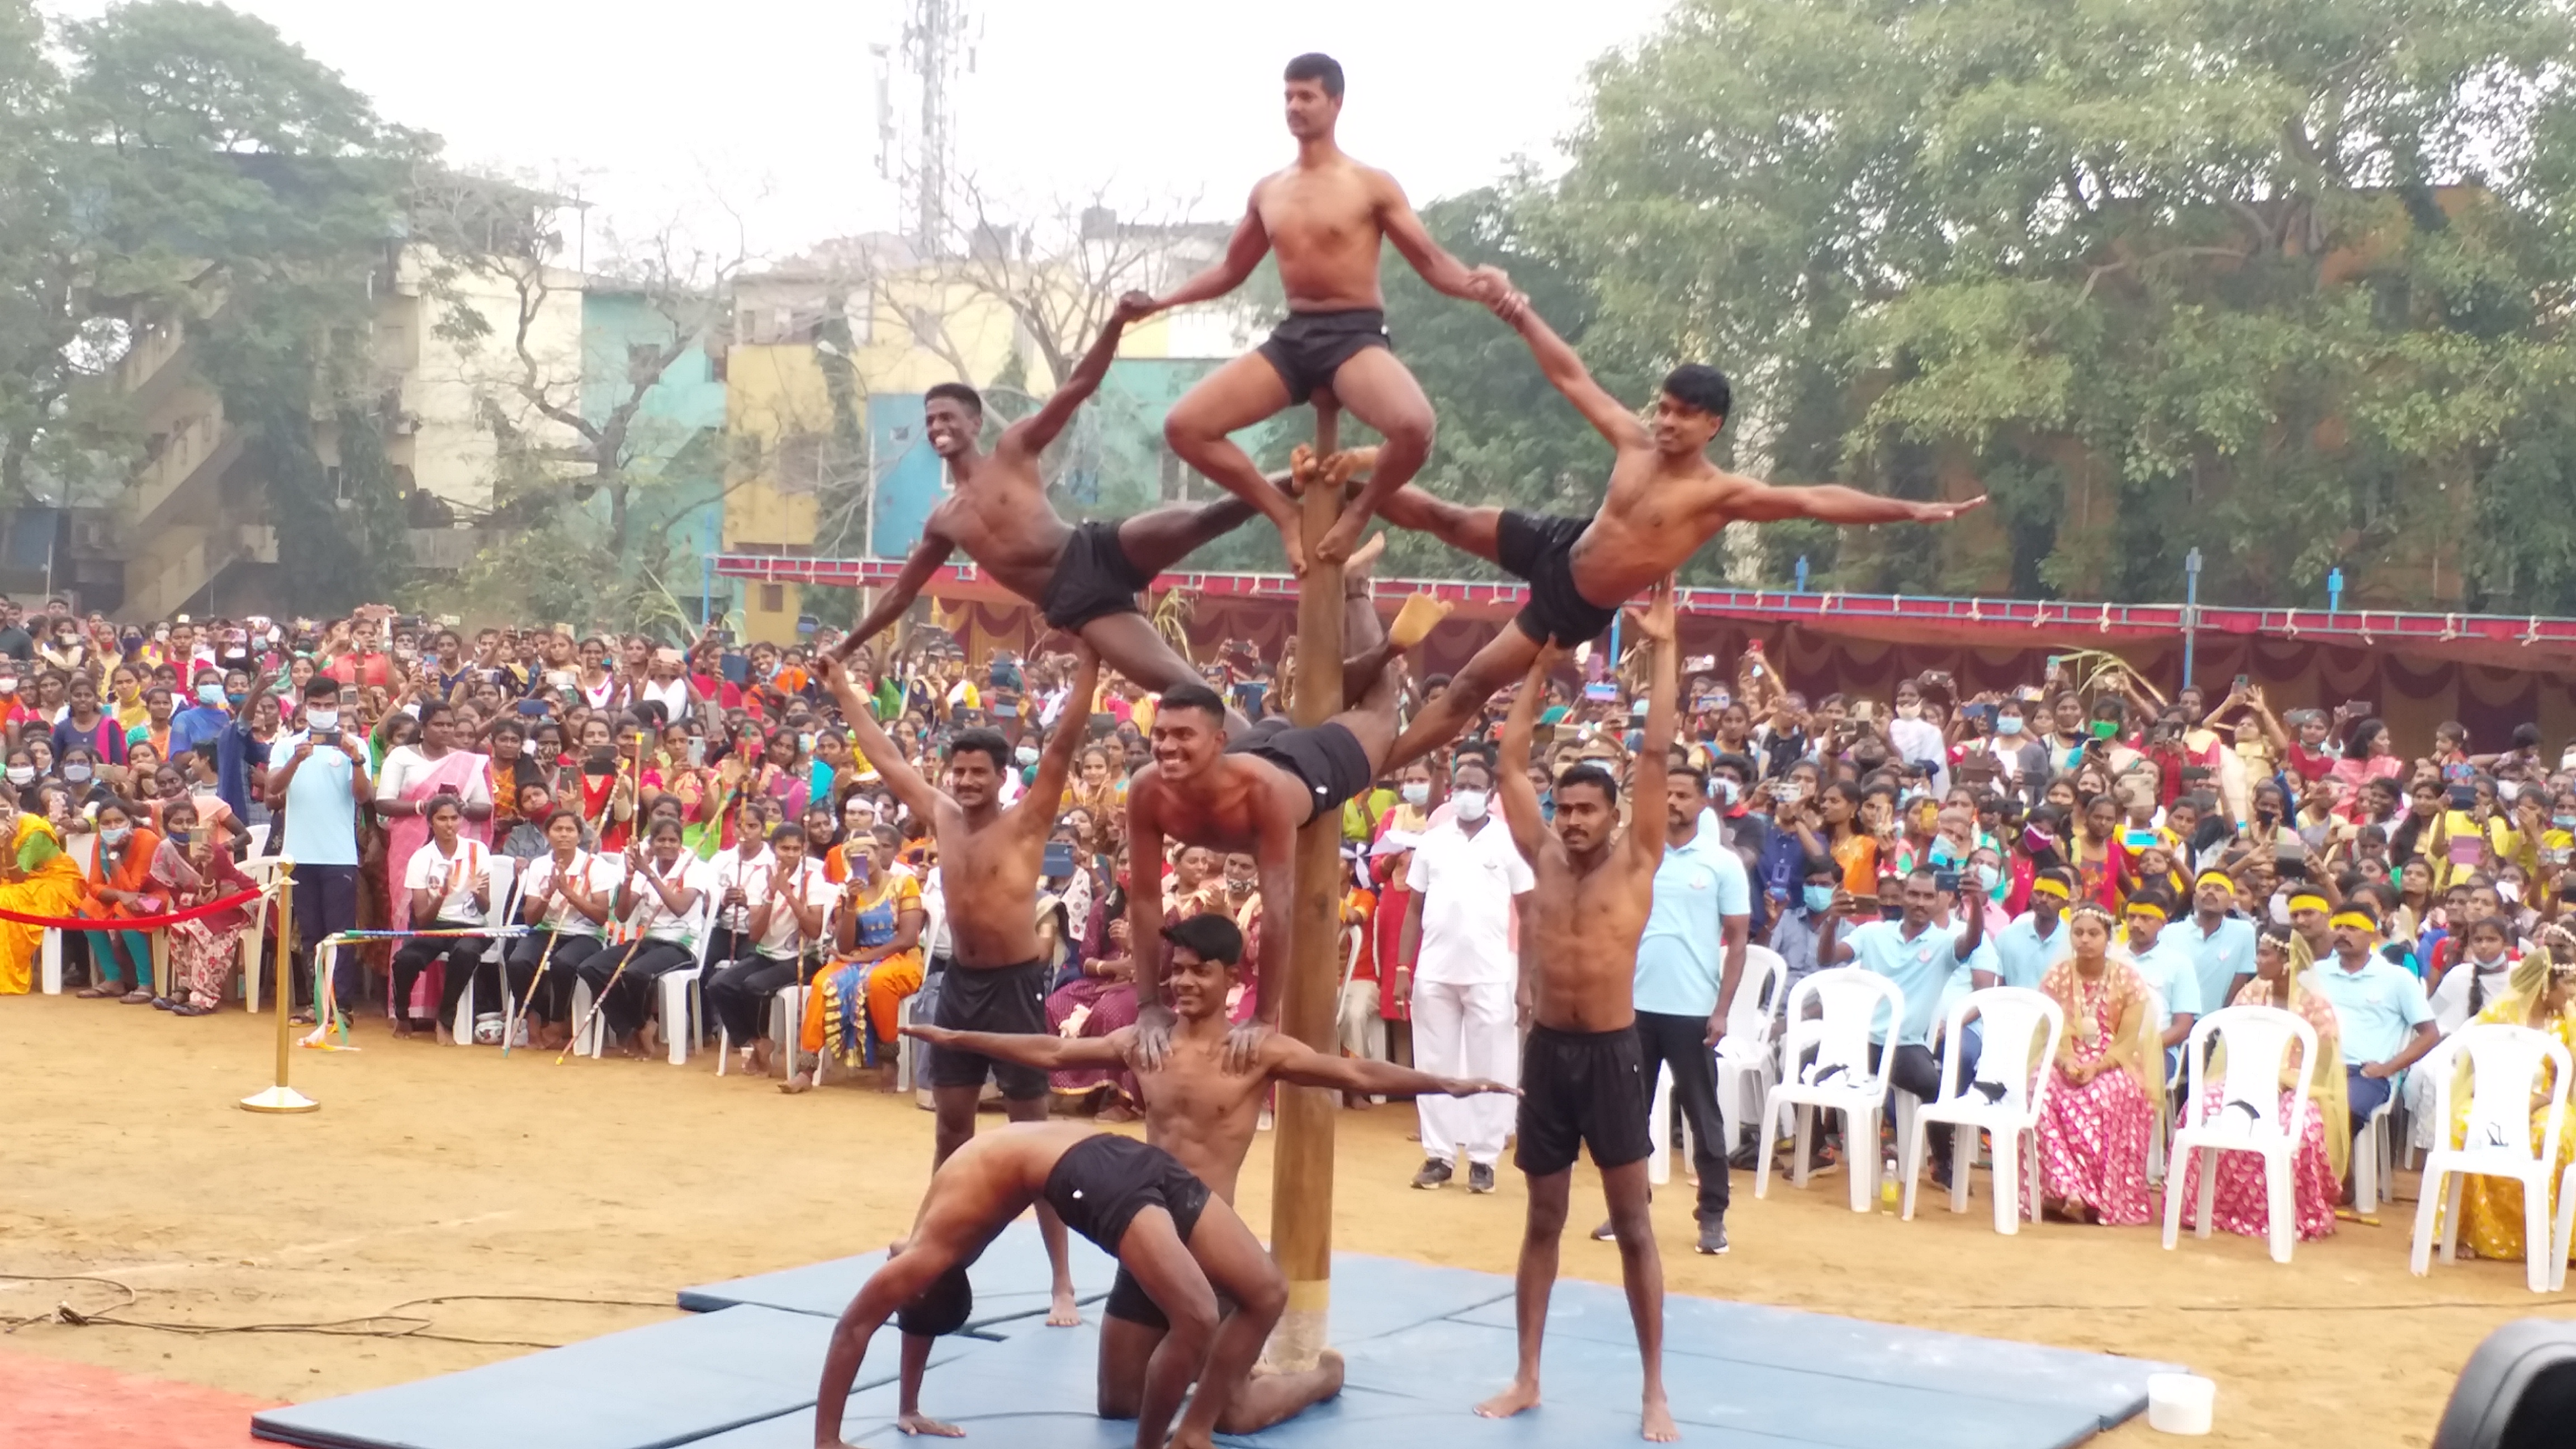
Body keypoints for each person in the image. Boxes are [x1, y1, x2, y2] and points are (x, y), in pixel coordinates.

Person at [902, 913, 1516, 1436]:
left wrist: (1449, 1082)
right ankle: (1209, 1361)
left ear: (1232, 978)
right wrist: (955, 1035)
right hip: (1143, 1241)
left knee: (1233, 1419)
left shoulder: (1256, 1050)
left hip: (1207, 1245)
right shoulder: (1148, 1042)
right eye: (1179, 969)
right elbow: (1055, 1053)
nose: (1185, 981)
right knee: (1119, 1405)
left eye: (1201, 971)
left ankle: (1323, 1374)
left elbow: (1353, 1076)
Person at [1372, 296, 1981, 770]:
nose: (1665, 422)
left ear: (1712, 424)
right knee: (1445, 516)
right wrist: (1521, 314)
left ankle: (1375, 768)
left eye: (1682, 415)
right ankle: (1332, 491)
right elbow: (1571, 378)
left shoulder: (1719, 496)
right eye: (1662, 408)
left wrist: (1909, 509)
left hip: (1575, 604)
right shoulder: (1634, 443)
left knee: (1470, 684)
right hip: (1561, 541)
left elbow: (1815, 500)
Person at [1139, 53, 1512, 573]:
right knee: (1185, 426)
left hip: (1353, 336)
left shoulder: (1370, 184)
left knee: (1415, 427)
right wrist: (1160, 303)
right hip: (1294, 339)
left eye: (1306, 96)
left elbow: (1432, 263)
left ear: (1335, 103)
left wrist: (1482, 285)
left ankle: (1359, 512)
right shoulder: (1269, 191)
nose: (1294, 106)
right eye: (1288, 96)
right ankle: (1283, 515)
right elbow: (1228, 270)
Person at [818, 645, 1100, 1328]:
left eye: (980, 772)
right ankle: (929, 1243)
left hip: (1016, 989)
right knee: (951, 1128)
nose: (968, 781)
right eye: (960, 770)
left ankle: (1062, 1280)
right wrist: (845, 691)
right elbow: (885, 758)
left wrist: (1090, 664)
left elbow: (1063, 743)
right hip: (960, 982)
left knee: (1032, 1139)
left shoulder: (1029, 818)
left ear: (1005, 777)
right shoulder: (941, 814)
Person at [830, 310, 1266, 712]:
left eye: (946, 417)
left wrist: (1115, 324)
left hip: (1095, 548)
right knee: (1185, 688)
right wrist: (845, 648)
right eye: (930, 421)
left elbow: (1077, 388)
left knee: (1207, 518)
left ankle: (1303, 482)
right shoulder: (944, 521)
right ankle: (1267, 754)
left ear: (975, 423)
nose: (937, 428)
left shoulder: (1014, 450)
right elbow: (900, 595)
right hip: (1076, 601)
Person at [1475, 581, 1677, 1443]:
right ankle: (1527, 1373)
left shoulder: (1638, 859)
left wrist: (1662, 648)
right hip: (1549, 1054)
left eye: (1589, 808)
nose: (1574, 820)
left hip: (1613, 1056)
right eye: (1567, 808)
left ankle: (1654, 1389)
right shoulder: (1542, 852)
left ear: (1615, 815)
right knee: (1543, 1218)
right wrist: (1539, 667)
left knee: (1631, 1224)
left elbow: (1658, 757)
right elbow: (1511, 758)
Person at [809, 1123, 1283, 1449]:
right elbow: (915, 1310)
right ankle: (1192, 1431)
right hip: (1118, 1153)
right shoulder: (930, 1257)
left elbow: (852, 1329)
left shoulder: (930, 1257)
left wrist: (826, 1439)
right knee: (1260, 1294)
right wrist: (908, 1407)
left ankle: (1175, 1438)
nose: (899, 1304)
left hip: (1088, 1170)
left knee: (1198, 1315)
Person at [1124, 567, 1419, 1068]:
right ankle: (1361, 654)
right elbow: (1147, 902)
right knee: (1300, 707)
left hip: (1307, 768)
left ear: (1217, 743)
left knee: (1381, 706)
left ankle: (1355, 589)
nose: (1167, 747)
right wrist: (1150, 1006)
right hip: (1260, 742)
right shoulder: (1146, 788)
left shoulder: (1264, 797)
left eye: (1183, 737)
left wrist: (1263, 1017)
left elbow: (1280, 908)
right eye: (1162, 735)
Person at [1598, 759, 1750, 1254]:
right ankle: (1627, 1209)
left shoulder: (1722, 863)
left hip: (1693, 1011)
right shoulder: (1639, 856)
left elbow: (1739, 939)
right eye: (1666, 794)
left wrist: (1722, 1009)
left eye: (1684, 795)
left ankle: (1712, 1216)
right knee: (1627, 1115)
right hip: (1635, 1007)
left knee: (1702, 1116)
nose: (1674, 803)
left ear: (1704, 802)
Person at [1396, 749, 1533, 1193]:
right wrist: (1403, 966)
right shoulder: (1433, 840)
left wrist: (1526, 982)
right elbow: (1414, 908)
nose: (1467, 794)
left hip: (1491, 972)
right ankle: (1438, 1155)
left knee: (1491, 1063)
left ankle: (1483, 1157)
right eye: (1461, 787)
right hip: (1433, 970)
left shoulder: (1510, 841)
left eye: (1476, 787)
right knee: (1433, 1064)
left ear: (1491, 793)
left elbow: (1530, 915)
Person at [1814, 865, 1990, 1182]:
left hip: (1906, 1046)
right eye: (1914, 894)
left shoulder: (1944, 943)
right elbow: (1828, 958)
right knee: (1804, 1068)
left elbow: (1973, 939)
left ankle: (1942, 1163)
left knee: (1937, 1092)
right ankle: (1816, 1153)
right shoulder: (1873, 933)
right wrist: (1834, 920)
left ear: (1940, 901)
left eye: (1928, 896)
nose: (1920, 902)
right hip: (1859, 1042)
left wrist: (1975, 902)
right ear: (1902, 897)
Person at [2176, 926, 2346, 1242]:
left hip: (2296, 1086)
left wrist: (2283, 1080)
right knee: (2201, 1107)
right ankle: (2211, 1208)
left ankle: (2290, 1212)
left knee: (2303, 1125)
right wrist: (2252, 1078)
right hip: (2244, 1081)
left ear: (2287, 961)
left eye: (2265, 954)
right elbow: (2232, 1048)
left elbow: (2321, 1065)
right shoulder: (2251, 995)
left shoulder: (2316, 1007)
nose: (2257, 960)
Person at [2444, 931, 2576, 1264]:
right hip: (2494, 1099)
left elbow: (2567, 1082)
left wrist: (2535, 1103)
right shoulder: (2497, 1019)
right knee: (2463, 1126)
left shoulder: (2568, 1024)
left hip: (2549, 1101)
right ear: (2546, 984)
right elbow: (2473, 1071)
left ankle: (2558, 1241)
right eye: (2570, 984)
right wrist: (2505, 1104)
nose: (2574, 992)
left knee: (2556, 1135)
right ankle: (2462, 1232)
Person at [2033, 901, 2156, 1225]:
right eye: (2078, 933)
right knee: (2040, 1091)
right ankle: (2066, 1189)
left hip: (2113, 1063)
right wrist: (2065, 1060)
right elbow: (2050, 1031)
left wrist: (2096, 1067)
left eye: (2093, 933)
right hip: (2065, 1057)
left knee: (2099, 1095)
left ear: (2108, 938)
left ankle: (2096, 1197)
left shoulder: (2128, 979)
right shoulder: (2057, 976)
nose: (2085, 940)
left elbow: (2127, 1043)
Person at [792, 823, 923, 1091]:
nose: (862, 861)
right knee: (821, 983)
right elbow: (846, 943)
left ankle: (889, 1061)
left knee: (879, 980)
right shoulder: (848, 890)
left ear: (877, 854)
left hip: (900, 958)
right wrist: (851, 903)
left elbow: (908, 939)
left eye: (867, 854)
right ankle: (806, 1068)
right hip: (858, 957)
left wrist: (862, 960)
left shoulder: (904, 883)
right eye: (854, 858)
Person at [2304, 900, 2439, 1149]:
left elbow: (2430, 1034)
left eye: (2353, 928)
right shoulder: (2315, 973)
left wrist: (2388, 1068)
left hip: (2364, 1074)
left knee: (2341, 1110)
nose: (2343, 933)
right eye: (2338, 926)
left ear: (2374, 935)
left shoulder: (2397, 978)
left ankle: (2333, 1180)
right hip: (2315, 1068)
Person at [587, 817, 709, 1059]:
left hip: (681, 945)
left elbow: (680, 908)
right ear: (652, 843)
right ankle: (634, 1027)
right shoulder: (644, 869)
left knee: (636, 973)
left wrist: (650, 874)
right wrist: (631, 877)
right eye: (661, 840)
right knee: (593, 967)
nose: (667, 845)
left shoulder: (692, 869)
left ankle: (640, 1024)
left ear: (680, 843)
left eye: (673, 840)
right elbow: (622, 915)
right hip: (648, 941)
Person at [504, 808, 618, 1050]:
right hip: (546, 930)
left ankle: (557, 1023)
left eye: (570, 830)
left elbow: (600, 917)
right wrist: (548, 894)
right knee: (518, 960)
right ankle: (532, 1019)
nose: (564, 835)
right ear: (548, 834)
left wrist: (568, 892)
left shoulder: (595, 866)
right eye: (558, 829)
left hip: (585, 934)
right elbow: (532, 919)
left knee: (564, 963)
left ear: (579, 835)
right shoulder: (539, 866)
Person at [386, 794, 495, 1042]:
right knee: (405, 960)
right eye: (442, 819)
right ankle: (403, 1016)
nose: (449, 825)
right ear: (430, 822)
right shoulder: (421, 859)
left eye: (454, 818)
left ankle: (445, 1020)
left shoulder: (477, 851)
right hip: (434, 926)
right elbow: (423, 920)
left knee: (465, 953)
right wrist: (442, 896)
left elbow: (485, 909)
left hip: (470, 926)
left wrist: (479, 894)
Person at [72, 796, 163, 1002]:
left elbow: (134, 887)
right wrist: (119, 895)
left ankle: (146, 984)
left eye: (119, 821)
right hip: (119, 896)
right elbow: (93, 884)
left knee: (125, 911)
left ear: (130, 821)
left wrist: (113, 856)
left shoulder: (147, 839)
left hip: (154, 899)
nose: (113, 826)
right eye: (106, 823)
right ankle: (113, 979)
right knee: (86, 909)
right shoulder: (100, 840)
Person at [0, 787, 89, 995]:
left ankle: (7, 977)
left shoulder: (33, 830)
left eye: (3, 807)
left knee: (5, 901)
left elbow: (18, 876)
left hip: (56, 882)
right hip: (23, 882)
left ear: (13, 805)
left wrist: (5, 847)